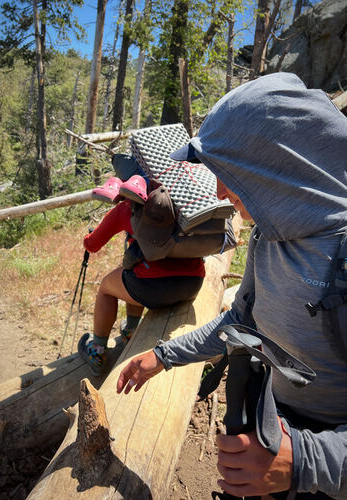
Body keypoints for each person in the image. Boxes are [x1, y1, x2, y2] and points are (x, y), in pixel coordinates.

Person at [116, 72, 347, 499]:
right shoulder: (270, 236)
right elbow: (243, 321)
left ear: (277, 167)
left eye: (231, 173)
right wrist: (164, 356)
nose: (221, 190)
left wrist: (304, 461)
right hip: (274, 424)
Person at [78, 184, 206, 375]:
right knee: (132, 272)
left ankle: (97, 351)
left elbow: (92, 244)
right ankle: (130, 330)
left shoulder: (131, 207)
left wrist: (88, 235)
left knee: (107, 286)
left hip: (151, 288)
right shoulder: (187, 200)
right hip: (193, 283)